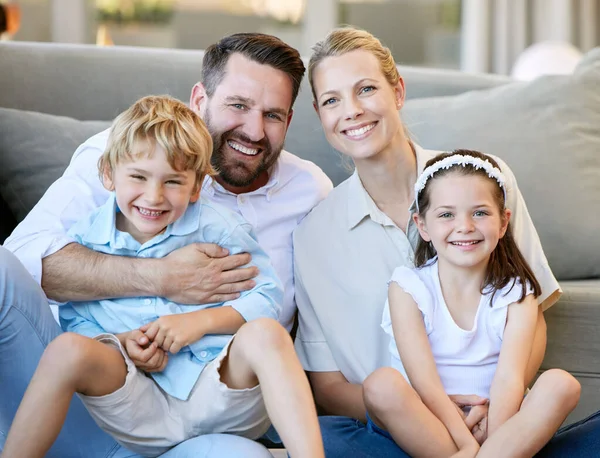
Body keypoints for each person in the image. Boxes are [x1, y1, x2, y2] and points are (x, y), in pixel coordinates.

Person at [1, 33, 332, 458]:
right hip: (103, 400)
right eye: (237, 105)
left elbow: (287, 309)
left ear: (196, 187)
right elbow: (24, 263)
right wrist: (161, 279)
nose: (253, 130)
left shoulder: (307, 194)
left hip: (212, 405)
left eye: (272, 114)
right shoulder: (123, 153)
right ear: (200, 98)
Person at [293, 26, 571, 458]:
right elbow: (327, 388)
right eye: (332, 100)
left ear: (398, 91)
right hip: (391, 427)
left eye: (366, 89)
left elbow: (531, 317)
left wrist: (493, 410)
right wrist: (428, 412)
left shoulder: (485, 181)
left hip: (496, 418)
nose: (351, 111)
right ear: (319, 113)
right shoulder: (312, 236)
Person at [365, 150, 580, 457]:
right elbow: (425, 384)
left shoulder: (517, 294)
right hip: (433, 424)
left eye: (479, 213)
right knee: (380, 384)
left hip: (499, 428)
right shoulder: (408, 288)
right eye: (446, 215)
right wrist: (466, 443)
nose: (464, 226)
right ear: (422, 225)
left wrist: (492, 434)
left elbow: (509, 380)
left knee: (562, 384)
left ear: (503, 223)